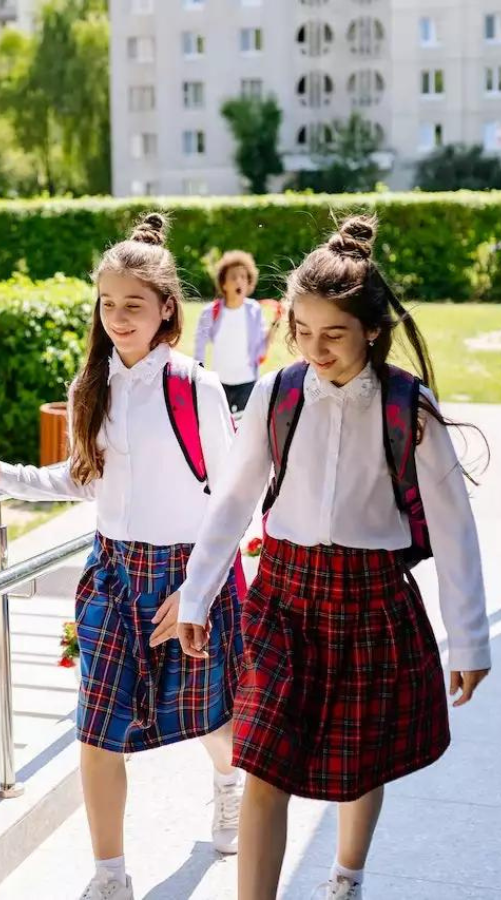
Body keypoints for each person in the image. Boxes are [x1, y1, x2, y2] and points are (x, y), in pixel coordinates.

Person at [175, 216, 492, 900]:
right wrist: (197, 595)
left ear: (372, 331)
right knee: (262, 762)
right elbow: (231, 501)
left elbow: (455, 528)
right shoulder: (279, 393)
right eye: (304, 331)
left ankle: (346, 874)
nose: (316, 348)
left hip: (370, 600)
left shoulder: (410, 408)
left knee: (358, 758)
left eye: (335, 335)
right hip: (283, 598)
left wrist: (468, 639)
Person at [0, 214, 245, 900]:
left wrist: (198, 593)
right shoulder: (92, 384)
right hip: (114, 576)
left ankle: (229, 784)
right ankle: (109, 876)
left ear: (166, 309)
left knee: (213, 723)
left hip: (187, 576)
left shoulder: (194, 387)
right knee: (97, 726)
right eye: (108, 304)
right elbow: (81, 479)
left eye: (134, 305)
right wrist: (6, 476)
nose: (118, 317)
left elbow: (234, 499)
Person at [193, 250, 275, 414]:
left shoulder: (254, 310)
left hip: (247, 382)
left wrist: (275, 325)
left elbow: (261, 347)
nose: (239, 281)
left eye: (243, 277)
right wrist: (199, 374)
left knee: (243, 430)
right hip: (219, 382)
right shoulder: (211, 311)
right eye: (233, 277)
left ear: (249, 282)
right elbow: (199, 346)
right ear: (224, 284)